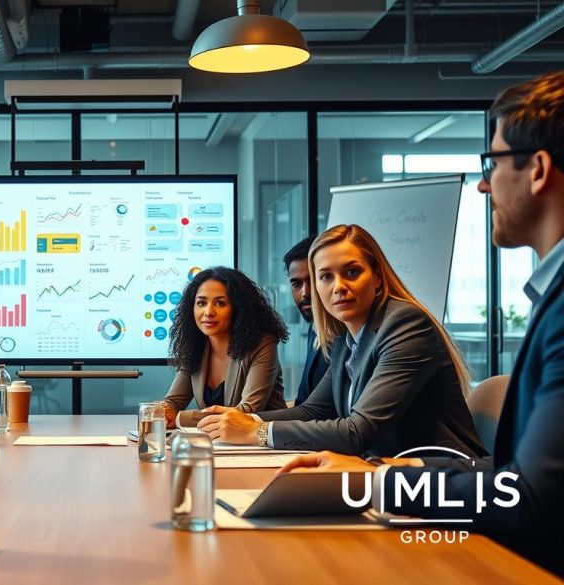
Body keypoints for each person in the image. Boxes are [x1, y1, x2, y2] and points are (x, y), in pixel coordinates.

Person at [279, 71, 564, 577]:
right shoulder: (551, 299)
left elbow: (531, 495)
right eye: (325, 277)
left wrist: (377, 482)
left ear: (538, 170)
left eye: (490, 163)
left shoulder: (405, 322)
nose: (482, 183)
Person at [199, 224, 485, 458]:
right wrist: (247, 420)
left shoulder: (405, 325)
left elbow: (358, 431)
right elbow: (313, 411)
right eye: (325, 276)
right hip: (382, 472)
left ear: (376, 278)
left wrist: (255, 432)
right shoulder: (344, 338)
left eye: (351, 272)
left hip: (439, 479)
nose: (338, 287)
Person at [162, 266, 289, 428]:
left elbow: (246, 411)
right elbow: (173, 401)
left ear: (238, 308)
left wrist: (180, 419)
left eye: (220, 303)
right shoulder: (196, 345)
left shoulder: (262, 344)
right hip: (219, 444)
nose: (208, 311)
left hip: (265, 444)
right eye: (201, 303)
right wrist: (164, 412)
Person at [284, 235, 329, 405]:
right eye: (296, 284)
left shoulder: (345, 335)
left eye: (313, 280)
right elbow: (305, 405)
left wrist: (256, 427)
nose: (305, 293)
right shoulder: (315, 328)